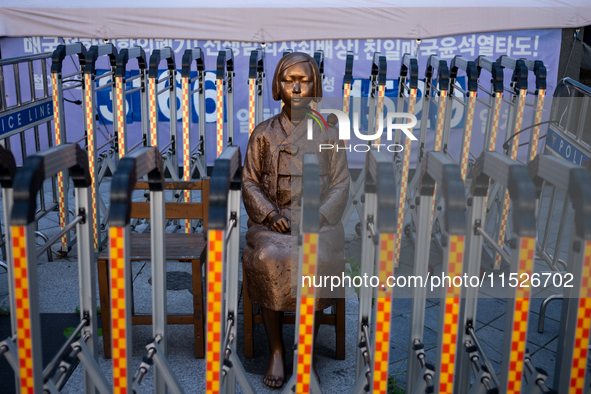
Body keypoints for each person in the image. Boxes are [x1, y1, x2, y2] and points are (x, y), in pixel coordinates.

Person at [241, 52, 349, 388]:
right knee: (268, 257)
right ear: (278, 86)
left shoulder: (329, 133)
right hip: (273, 223)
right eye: (290, 80)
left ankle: (306, 354)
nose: (297, 87)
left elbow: (342, 182)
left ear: (314, 85)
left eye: (304, 80)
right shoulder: (263, 134)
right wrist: (270, 214)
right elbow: (249, 181)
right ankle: (276, 350)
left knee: (316, 258)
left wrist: (318, 215)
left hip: (318, 222)